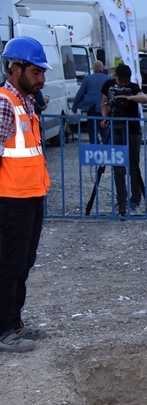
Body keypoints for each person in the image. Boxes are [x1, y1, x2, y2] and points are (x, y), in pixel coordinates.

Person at [0, 36, 51, 353]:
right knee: (8, 265)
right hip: (11, 200)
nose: (41, 79)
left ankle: (14, 321)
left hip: (31, 196)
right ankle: (4, 329)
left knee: (23, 263)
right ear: (14, 69)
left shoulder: (25, 102)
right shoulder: (5, 103)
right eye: (36, 72)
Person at [99, 63, 147, 216]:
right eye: (121, 83)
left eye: (125, 83)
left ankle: (135, 201)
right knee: (118, 166)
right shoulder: (109, 85)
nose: (123, 85)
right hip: (116, 128)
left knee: (134, 166)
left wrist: (129, 97)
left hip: (132, 129)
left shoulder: (132, 87)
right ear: (116, 77)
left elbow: (145, 98)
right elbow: (104, 103)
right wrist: (104, 118)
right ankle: (121, 200)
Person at [72, 60, 111, 144]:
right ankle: (107, 148)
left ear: (94, 68)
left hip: (92, 107)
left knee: (92, 130)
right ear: (102, 68)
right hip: (104, 107)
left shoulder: (88, 78)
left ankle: (95, 148)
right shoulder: (108, 79)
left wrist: (75, 106)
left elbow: (80, 93)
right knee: (105, 129)